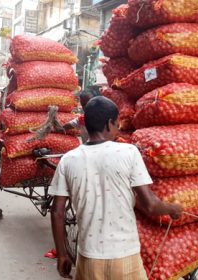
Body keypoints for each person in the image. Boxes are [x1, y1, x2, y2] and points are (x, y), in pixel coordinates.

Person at [50, 96, 182, 280]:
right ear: (109, 124)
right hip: (125, 256)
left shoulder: (68, 160)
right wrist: (172, 209)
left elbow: (57, 211)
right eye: (117, 124)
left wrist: (62, 254)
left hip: (89, 257)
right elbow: (151, 205)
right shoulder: (128, 152)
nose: (118, 128)